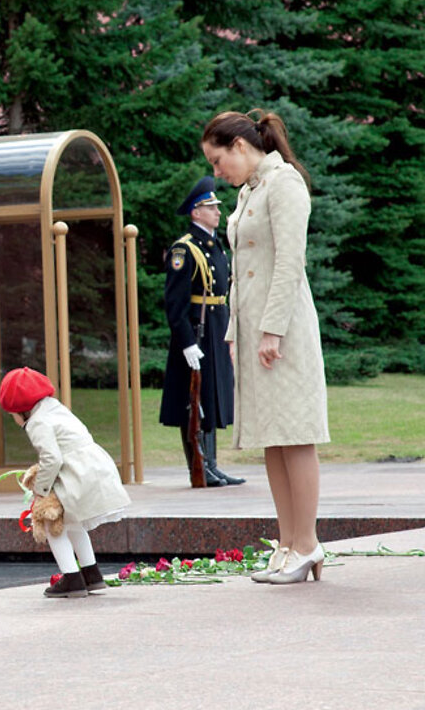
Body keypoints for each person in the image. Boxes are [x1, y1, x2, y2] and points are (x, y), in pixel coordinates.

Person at [201, 109, 330, 585]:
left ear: (239, 146)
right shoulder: (249, 191)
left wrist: (272, 329)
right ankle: (289, 543)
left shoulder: (284, 183)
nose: (217, 173)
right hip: (256, 329)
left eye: (218, 161)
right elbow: (239, 272)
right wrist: (237, 332)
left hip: (286, 327)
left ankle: (308, 541)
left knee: (295, 433)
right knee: (272, 438)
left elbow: (289, 262)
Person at [0, 367, 131, 598]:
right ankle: (92, 574)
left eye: (12, 414)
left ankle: (71, 579)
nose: (14, 419)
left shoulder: (37, 422)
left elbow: (52, 458)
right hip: (94, 468)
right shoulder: (55, 408)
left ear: (21, 410)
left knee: (52, 524)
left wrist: (40, 491)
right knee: (73, 522)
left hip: (78, 475)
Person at [159, 176, 244, 488]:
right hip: (197, 331)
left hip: (216, 325)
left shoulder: (212, 244)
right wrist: (187, 344)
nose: (218, 212)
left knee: (211, 397)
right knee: (194, 402)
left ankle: (213, 466)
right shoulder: (185, 250)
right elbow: (175, 304)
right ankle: (200, 466)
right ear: (196, 212)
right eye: (211, 207)